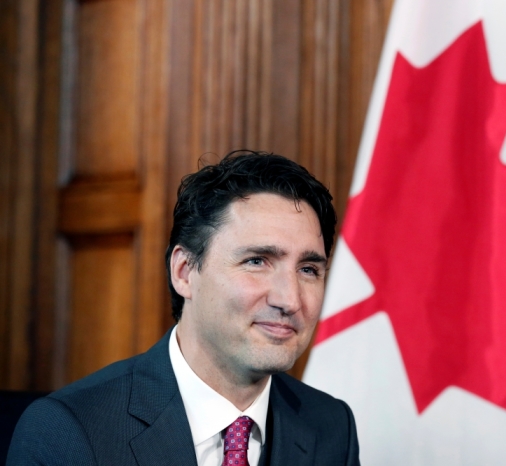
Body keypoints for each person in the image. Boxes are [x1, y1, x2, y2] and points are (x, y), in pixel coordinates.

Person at [7, 151, 360, 465]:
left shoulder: (331, 427)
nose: (290, 300)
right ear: (184, 272)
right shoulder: (69, 433)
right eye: (256, 261)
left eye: (308, 270)